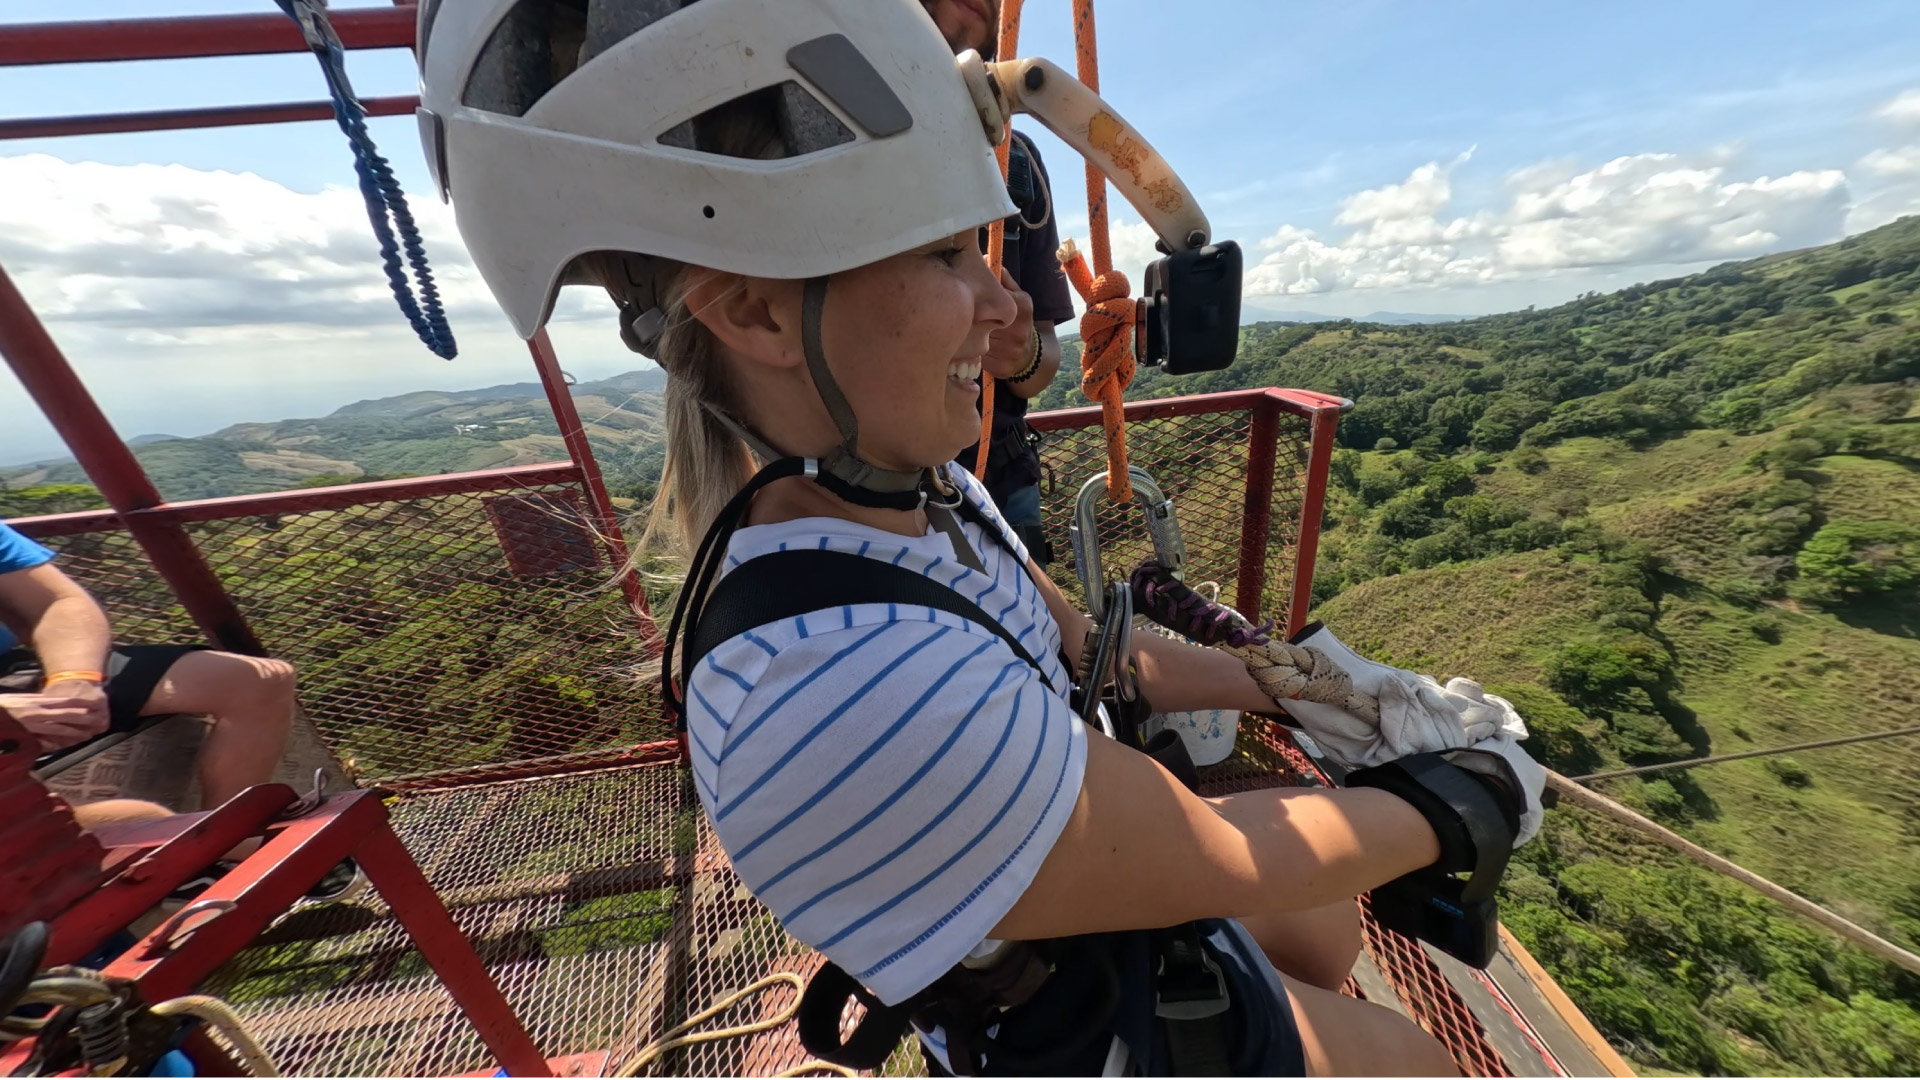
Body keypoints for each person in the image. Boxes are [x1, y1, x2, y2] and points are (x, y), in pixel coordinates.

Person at [420, 1, 1543, 1073]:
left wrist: (1297, 685)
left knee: (1324, 921)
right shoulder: (839, 684)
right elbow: (1220, 857)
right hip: (1077, 1023)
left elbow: (1096, 654)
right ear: (757, 313)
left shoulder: (914, 503)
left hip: (1072, 933)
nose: (1007, 312)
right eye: (943, 258)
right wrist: (1469, 794)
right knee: (1408, 1057)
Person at [0, 516, 296, 811]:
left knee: (254, 680)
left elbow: (56, 602)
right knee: (134, 816)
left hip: (10, 670)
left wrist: (74, 679)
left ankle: (233, 836)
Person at [921, 0, 1074, 564]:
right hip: (848, 485)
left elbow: (1046, 356)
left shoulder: (1020, 168)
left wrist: (1023, 353)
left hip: (999, 476)